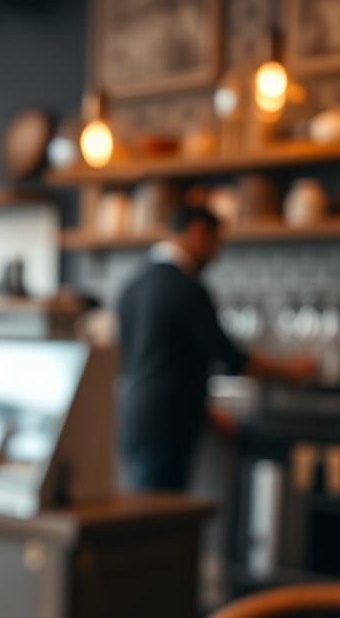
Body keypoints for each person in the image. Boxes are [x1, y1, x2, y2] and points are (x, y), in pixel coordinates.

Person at [116, 205, 317, 491]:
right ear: (199, 233)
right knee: (162, 523)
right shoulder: (186, 288)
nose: (217, 254)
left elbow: (156, 362)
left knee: (146, 518)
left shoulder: (134, 285)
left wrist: (205, 410)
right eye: (216, 243)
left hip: (135, 418)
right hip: (170, 426)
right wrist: (291, 371)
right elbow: (229, 358)